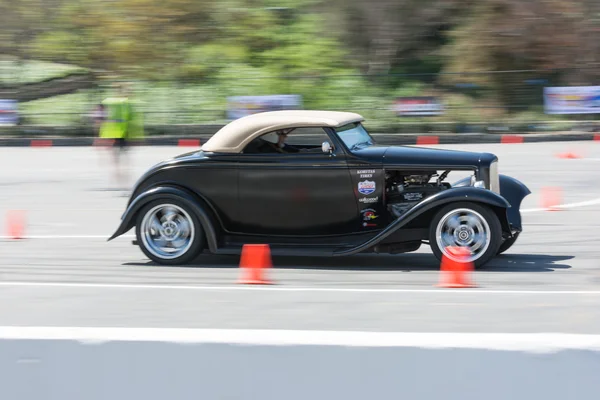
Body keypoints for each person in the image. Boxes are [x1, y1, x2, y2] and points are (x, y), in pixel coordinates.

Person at [99, 84, 144, 190]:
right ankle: (122, 182)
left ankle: (120, 181)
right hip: (122, 135)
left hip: (119, 135)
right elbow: (133, 120)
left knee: (119, 160)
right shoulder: (124, 104)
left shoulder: (111, 103)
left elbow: (103, 118)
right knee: (122, 160)